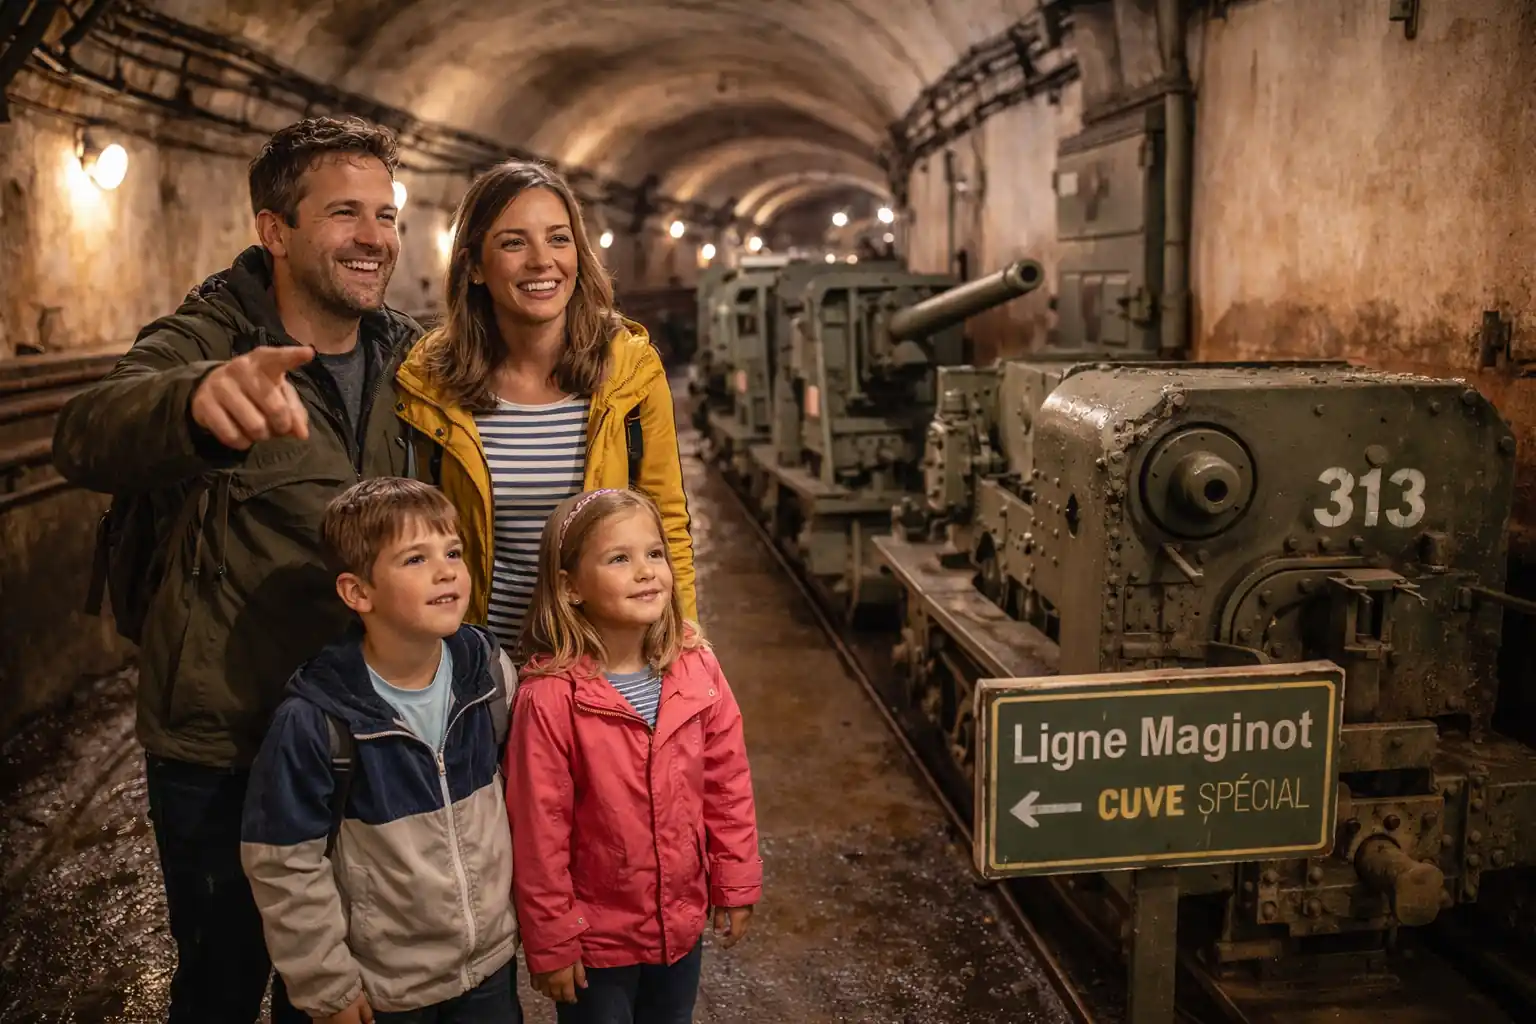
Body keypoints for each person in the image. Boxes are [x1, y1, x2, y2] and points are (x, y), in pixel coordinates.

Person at [51, 116, 422, 1023]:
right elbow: (87, 429)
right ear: (275, 230)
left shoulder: (409, 356)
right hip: (229, 741)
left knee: (339, 988)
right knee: (220, 982)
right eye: (344, 212)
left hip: (367, 732)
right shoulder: (209, 335)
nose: (375, 236)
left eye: (386, 214)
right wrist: (195, 404)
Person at [241, 477, 522, 1024]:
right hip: (389, 988)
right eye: (415, 559)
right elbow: (284, 865)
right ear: (358, 593)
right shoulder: (316, 719)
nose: (446, 571)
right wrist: (328, 989)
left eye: (453, 552)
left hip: (488, 969)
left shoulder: (487, 673)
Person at [393, 160, 696, 654]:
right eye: (514, 243)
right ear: (473, 266)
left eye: (558, 239)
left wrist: (681, 648)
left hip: (601, 667)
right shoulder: (431, 385)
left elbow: (668, 523)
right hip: (483, 672)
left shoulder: (629, 373)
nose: (542, 261)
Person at [506, 488, 761, 1024]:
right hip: (595, 939)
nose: (646, 571)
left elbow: (727, 785)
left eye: (654, 554)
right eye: (619, 558)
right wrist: (552, 939)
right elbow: (539, 829)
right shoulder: (552, 696)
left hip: (679, 921)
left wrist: (733, 882)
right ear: (570, 587)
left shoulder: (696, 668)